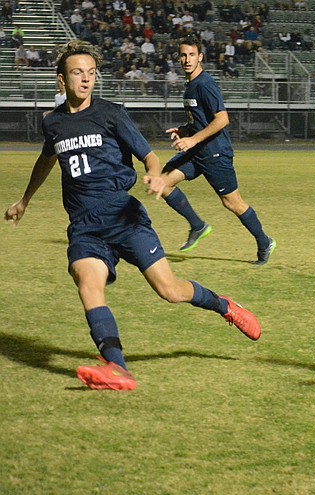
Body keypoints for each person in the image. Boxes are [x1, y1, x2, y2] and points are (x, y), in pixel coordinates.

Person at [4, 40, 261, 391]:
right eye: (77, 73)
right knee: (88, 285)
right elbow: (47, 159)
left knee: (169, 291)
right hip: (84, 227)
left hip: (123, 217)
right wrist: (24, 200)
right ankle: (117, 368)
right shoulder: (53, 124)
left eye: (91, 73)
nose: (86, 79)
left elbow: (148, 155)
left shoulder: (111, 114)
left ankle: (224, 305)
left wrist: (156, 175)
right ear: (61, 80)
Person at [158, 35, 276, 265]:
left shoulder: (205, 84)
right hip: (197, 152)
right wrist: (185, 130)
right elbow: (201, 120)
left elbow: (222, 119)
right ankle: (197, 225)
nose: (187, 59)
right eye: (183, 55)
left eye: (192, 55)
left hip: (214, 152)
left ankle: (264, 242)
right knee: (162, 182)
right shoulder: (191, 85)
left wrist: (192, 140)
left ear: (200, 57)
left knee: (232, 203)